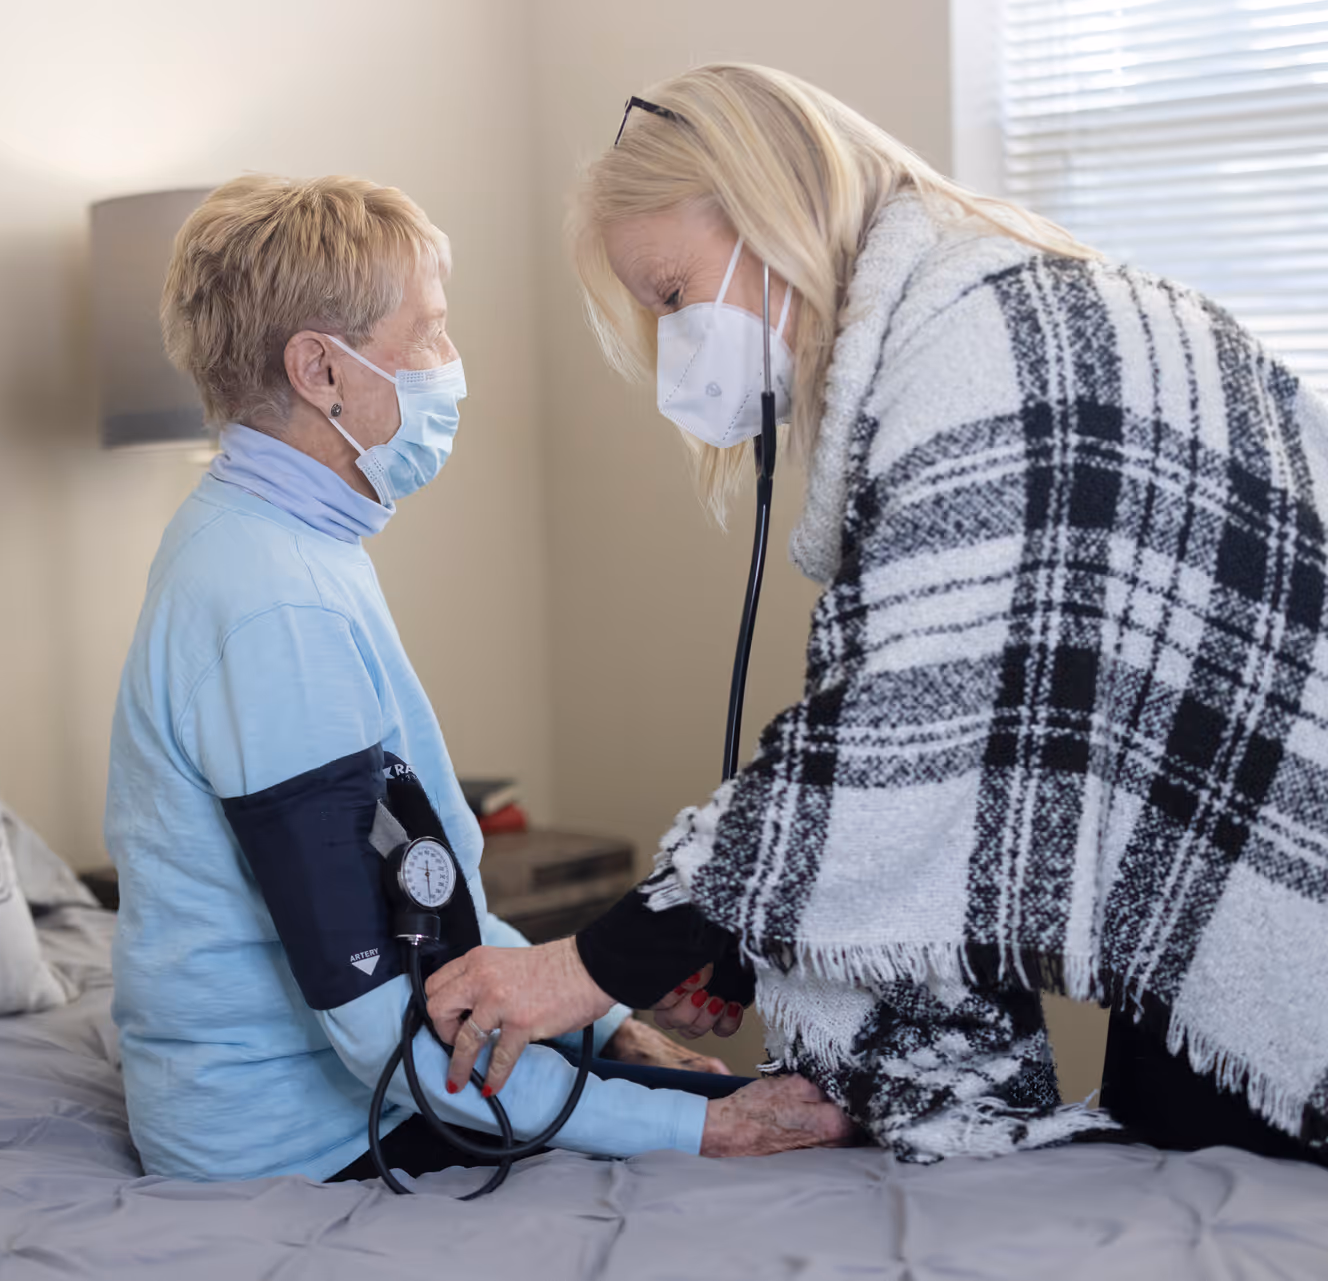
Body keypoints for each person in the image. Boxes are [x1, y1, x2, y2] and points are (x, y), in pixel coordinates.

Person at [425, 63, 1328, 1167]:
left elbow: (894, 740)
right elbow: (989, 757)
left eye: (671, 294)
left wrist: (592, 965)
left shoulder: (986, 349)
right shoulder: (1004, 310)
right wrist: (745, 937)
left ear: (770, 208)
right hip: (1224, 893)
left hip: (1274, 887)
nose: (673, 347)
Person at [104, 173, 852, 1184]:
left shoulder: (284, 541)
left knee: (800, 1120)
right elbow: (374, 1028)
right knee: (775, 1155)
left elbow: (425, 899)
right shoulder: (271, 603)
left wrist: (611, 1032)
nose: (452, 367)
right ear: (322, 369)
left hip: (384, 1075)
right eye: (433, 334)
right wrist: (693, 1129)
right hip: (303, 1140)